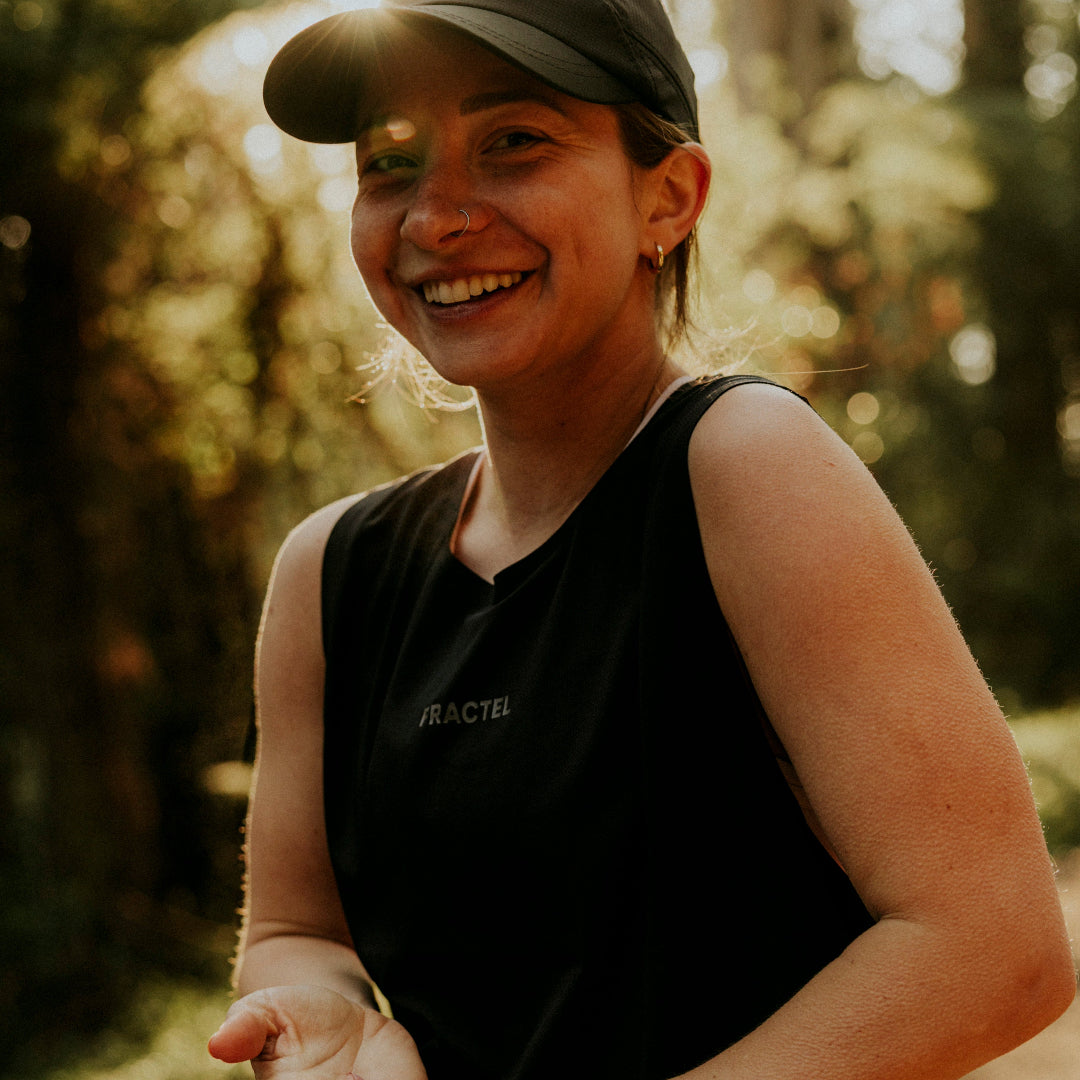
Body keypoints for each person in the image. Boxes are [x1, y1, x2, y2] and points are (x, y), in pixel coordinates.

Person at [207, 1, 1076, 1077]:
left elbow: (993, 946)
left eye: (514, 141)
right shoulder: (332, 570)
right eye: (389, 162)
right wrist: (327, 1021)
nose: (435, 216)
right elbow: (296, 931)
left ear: (668, 197)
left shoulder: (742, 463)